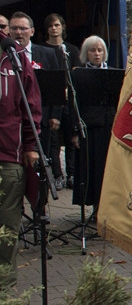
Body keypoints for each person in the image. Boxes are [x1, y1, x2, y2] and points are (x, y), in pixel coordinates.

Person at [0, 31, 42, 270]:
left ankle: (6, 300)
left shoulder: (13, 55)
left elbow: (31, 106)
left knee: (5, 235)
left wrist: (29, 145)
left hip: (8, 159)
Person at [8, 13, 61, 183]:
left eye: (23, 28)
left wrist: (55, 115)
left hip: (41, 118)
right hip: (13, 121)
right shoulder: (4, 55)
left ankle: (40, 205)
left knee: (40, 164)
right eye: (14, 28)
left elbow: (57, 86)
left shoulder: (47, 53)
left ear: (31, 31)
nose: (18, 32)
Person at [70, 36, 118, 219]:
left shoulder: (114, 73)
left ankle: (109, 209)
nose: (97, 54)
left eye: (100, 50)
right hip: (89, 128)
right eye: (92, 50)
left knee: (109, 169)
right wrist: (75, 131)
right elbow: (73, 104)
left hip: (110, 127)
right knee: (93, 169)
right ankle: (95, 208)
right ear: (85, 53)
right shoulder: (78, 74)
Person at [42, 13, 78, 191]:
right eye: (51, 26)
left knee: (72, 136)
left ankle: (72, 174)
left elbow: (76, 73)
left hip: (70, 100)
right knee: (53, 138)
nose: (54, 28)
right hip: (52, 100)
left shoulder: (71, 49)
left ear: (63, 27)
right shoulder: (43, 50)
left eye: (57, 25)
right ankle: (58, 175)